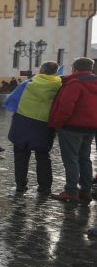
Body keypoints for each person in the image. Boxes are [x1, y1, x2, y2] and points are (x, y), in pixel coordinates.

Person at [2, 61, 62, 194]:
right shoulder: (59, 86)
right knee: (43, 156)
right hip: (44, 126)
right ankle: (45, 187)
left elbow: (12, 102)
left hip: (22, 123)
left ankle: (21, 185)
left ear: (41, 70)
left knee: (21, 156)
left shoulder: (27, 84)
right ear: (55, 72)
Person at [47, 57, 97, 203]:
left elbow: (66, 106)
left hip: (72, 127)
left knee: (71, 160)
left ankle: (71, 191)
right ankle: (86, 191)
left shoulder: (74, 83)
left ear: (75, 68)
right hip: (91, 127)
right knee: (85, 159)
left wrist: (57, 123)